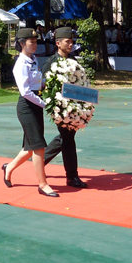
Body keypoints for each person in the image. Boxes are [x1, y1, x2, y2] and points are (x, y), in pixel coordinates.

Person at [1, 28, 59, 198]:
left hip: (36, 105)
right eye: (31, 42)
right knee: (39, 146)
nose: (34, 44)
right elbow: (25, 91)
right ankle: (43, 184)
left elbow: (37, 84)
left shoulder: (33, 60)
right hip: (27, 107)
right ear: (21, 44)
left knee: (30, 147)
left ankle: (9, 167)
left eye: (35, 41)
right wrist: (45, 104)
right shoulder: (20, 64)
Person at [42, 27, 88, 189]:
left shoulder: (73, 60)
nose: (71, 44)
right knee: (68, 140)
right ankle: (72, 177)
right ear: (58, 43)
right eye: (67, 41)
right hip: (60, 109)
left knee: (65, 138)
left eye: (72, 41)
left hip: (74, 107)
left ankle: (40, 160)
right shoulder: (51, 64)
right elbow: (45, 88)